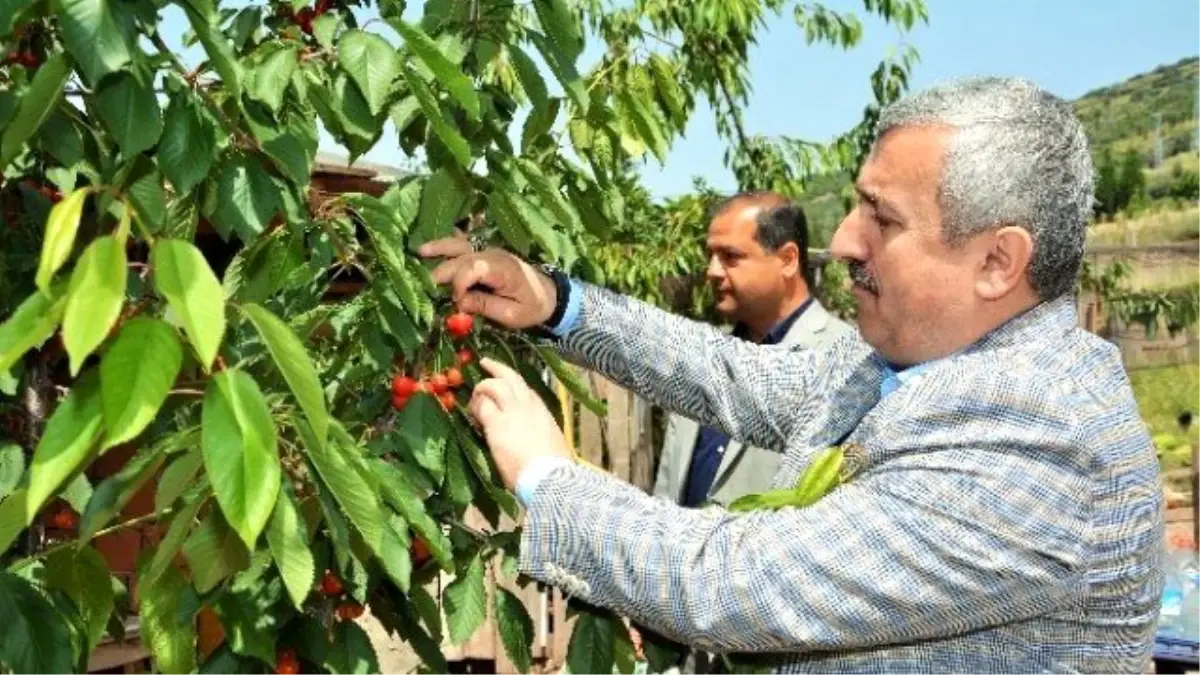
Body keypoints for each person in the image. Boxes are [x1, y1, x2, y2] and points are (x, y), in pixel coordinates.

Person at [419, 76, 1166, 673]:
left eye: (883, 218)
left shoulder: (1038, 436)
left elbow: (736, 585)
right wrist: (557, 303)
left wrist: (552, 476)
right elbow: (725, 372)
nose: (842, 241)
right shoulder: (921, 364)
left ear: (998, 262)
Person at [654, 192, 853, 512]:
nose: (712, 271)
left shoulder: (846, 361)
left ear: (787, 260)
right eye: (711, 256)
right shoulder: (703, 353)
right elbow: (667, 484)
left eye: (730, 256)